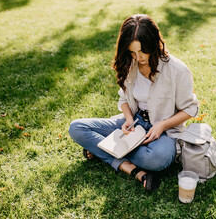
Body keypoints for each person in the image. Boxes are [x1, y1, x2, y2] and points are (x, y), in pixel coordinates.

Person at [69, 14, 198, 191]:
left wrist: (161, 125)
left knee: (157, 158)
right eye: (132, 52)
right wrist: (129, 118)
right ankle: (129, 167)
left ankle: (103, 148)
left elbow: (191, 109)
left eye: (142, 51)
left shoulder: (178, 70)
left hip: (164, 131)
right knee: (77, 128)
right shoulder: (131, 65)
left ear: (154, 43)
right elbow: (124, 99)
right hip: (134, 122)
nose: (138, 57)